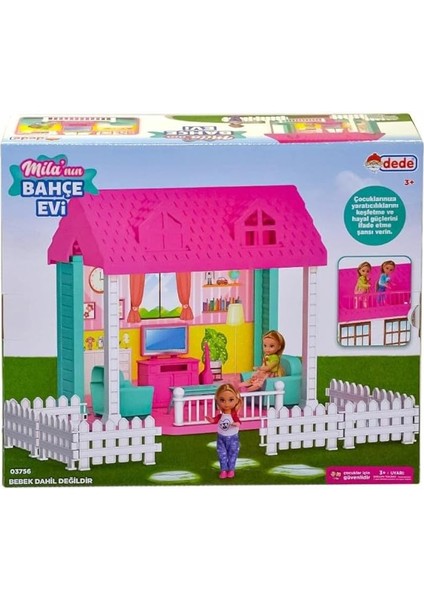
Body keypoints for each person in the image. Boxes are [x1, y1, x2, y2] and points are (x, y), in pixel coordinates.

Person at [205, 383, 242, 479]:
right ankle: (223, 470)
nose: (226, 404)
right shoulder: (220, 416)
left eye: (231, 400)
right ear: (217, 400)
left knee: (232, 453)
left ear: (236, 400)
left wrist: (236, 424)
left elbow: (238, 421)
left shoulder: (233, 415)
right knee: (222, 454)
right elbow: (215, 420)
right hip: (221, 437)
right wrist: (211, 420)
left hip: (233, 437)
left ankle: (231, 469)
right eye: (222, 400)